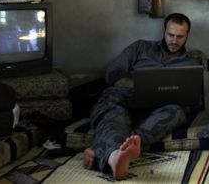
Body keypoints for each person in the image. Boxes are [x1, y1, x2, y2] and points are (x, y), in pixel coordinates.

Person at [82, 13, 201, 180]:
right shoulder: (141, 47)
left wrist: (174, 96)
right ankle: (115, 154)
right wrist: (139, 86)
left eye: (180, 37)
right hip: (127, 100)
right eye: (170, 35)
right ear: (163, 32)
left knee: (177, 112)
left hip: (159, 111)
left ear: (187, 35)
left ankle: (111, 152)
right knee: (111, 100)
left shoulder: (191, 64)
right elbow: (112, 73)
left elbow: (194, 102)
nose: (174, 41)